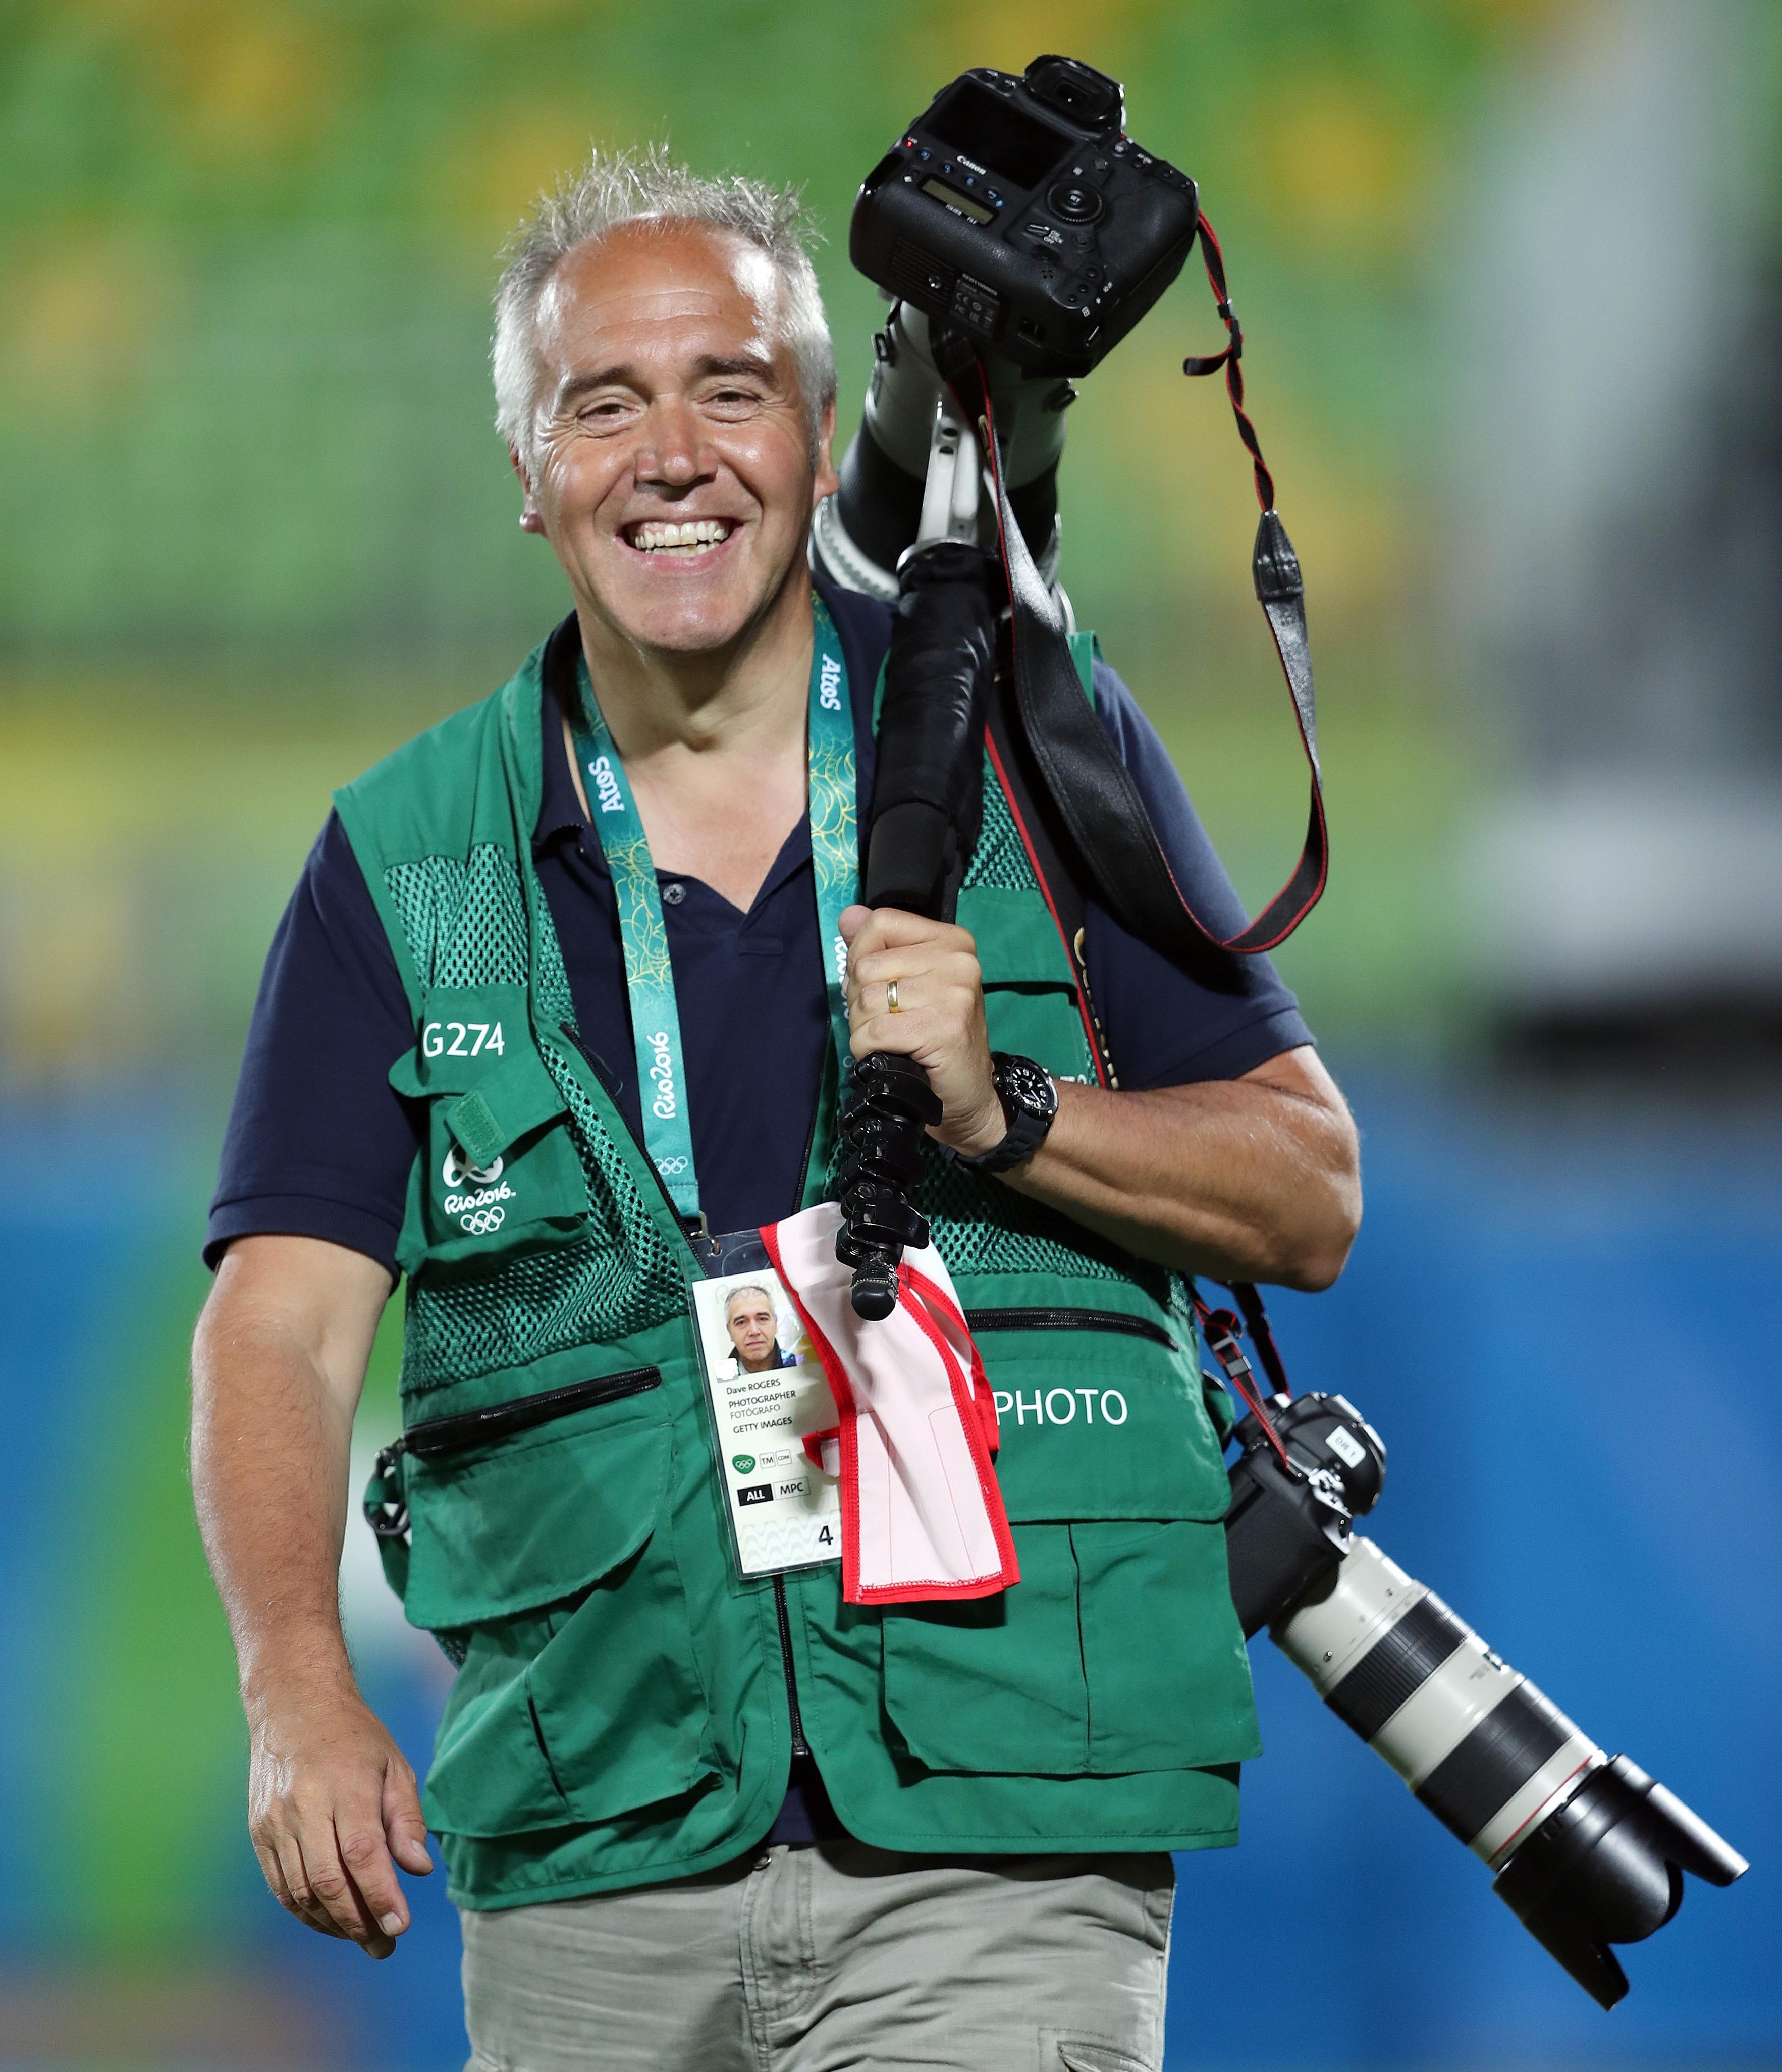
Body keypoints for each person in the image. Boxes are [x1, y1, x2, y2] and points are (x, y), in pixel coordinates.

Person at [191, 144, 1361, 2071]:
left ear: (824, 442)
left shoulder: (1038, 743)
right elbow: (284, 1326)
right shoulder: (406, 863)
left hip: (998, 1835)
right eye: (604, 402)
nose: (673, 454)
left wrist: (1013, 1111)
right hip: (599, 1835)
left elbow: (1310, 1191)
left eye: (730, 389)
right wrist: (295, 1677)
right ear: (528, 472)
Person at [722, 1284, 798, 1374]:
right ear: (730, 1331)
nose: (754, 1331)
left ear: (776, 1324)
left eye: (763, 1319)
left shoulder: (800, 1368)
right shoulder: (714, 1381)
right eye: (741, 1323)